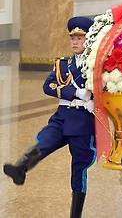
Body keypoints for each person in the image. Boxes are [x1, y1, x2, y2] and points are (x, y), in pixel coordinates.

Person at [4, 17, 95, 218]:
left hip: (84, 121)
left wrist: (96, 99)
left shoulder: (96, 65)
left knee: (78, 170)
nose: (75, 42)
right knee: (44, 140)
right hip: (62, 117)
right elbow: (48, 86)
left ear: (89, 39)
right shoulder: (62, 64)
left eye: (80, 38)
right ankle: (20, 169)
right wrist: (75, 92)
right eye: (73, 38)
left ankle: (75, 214)